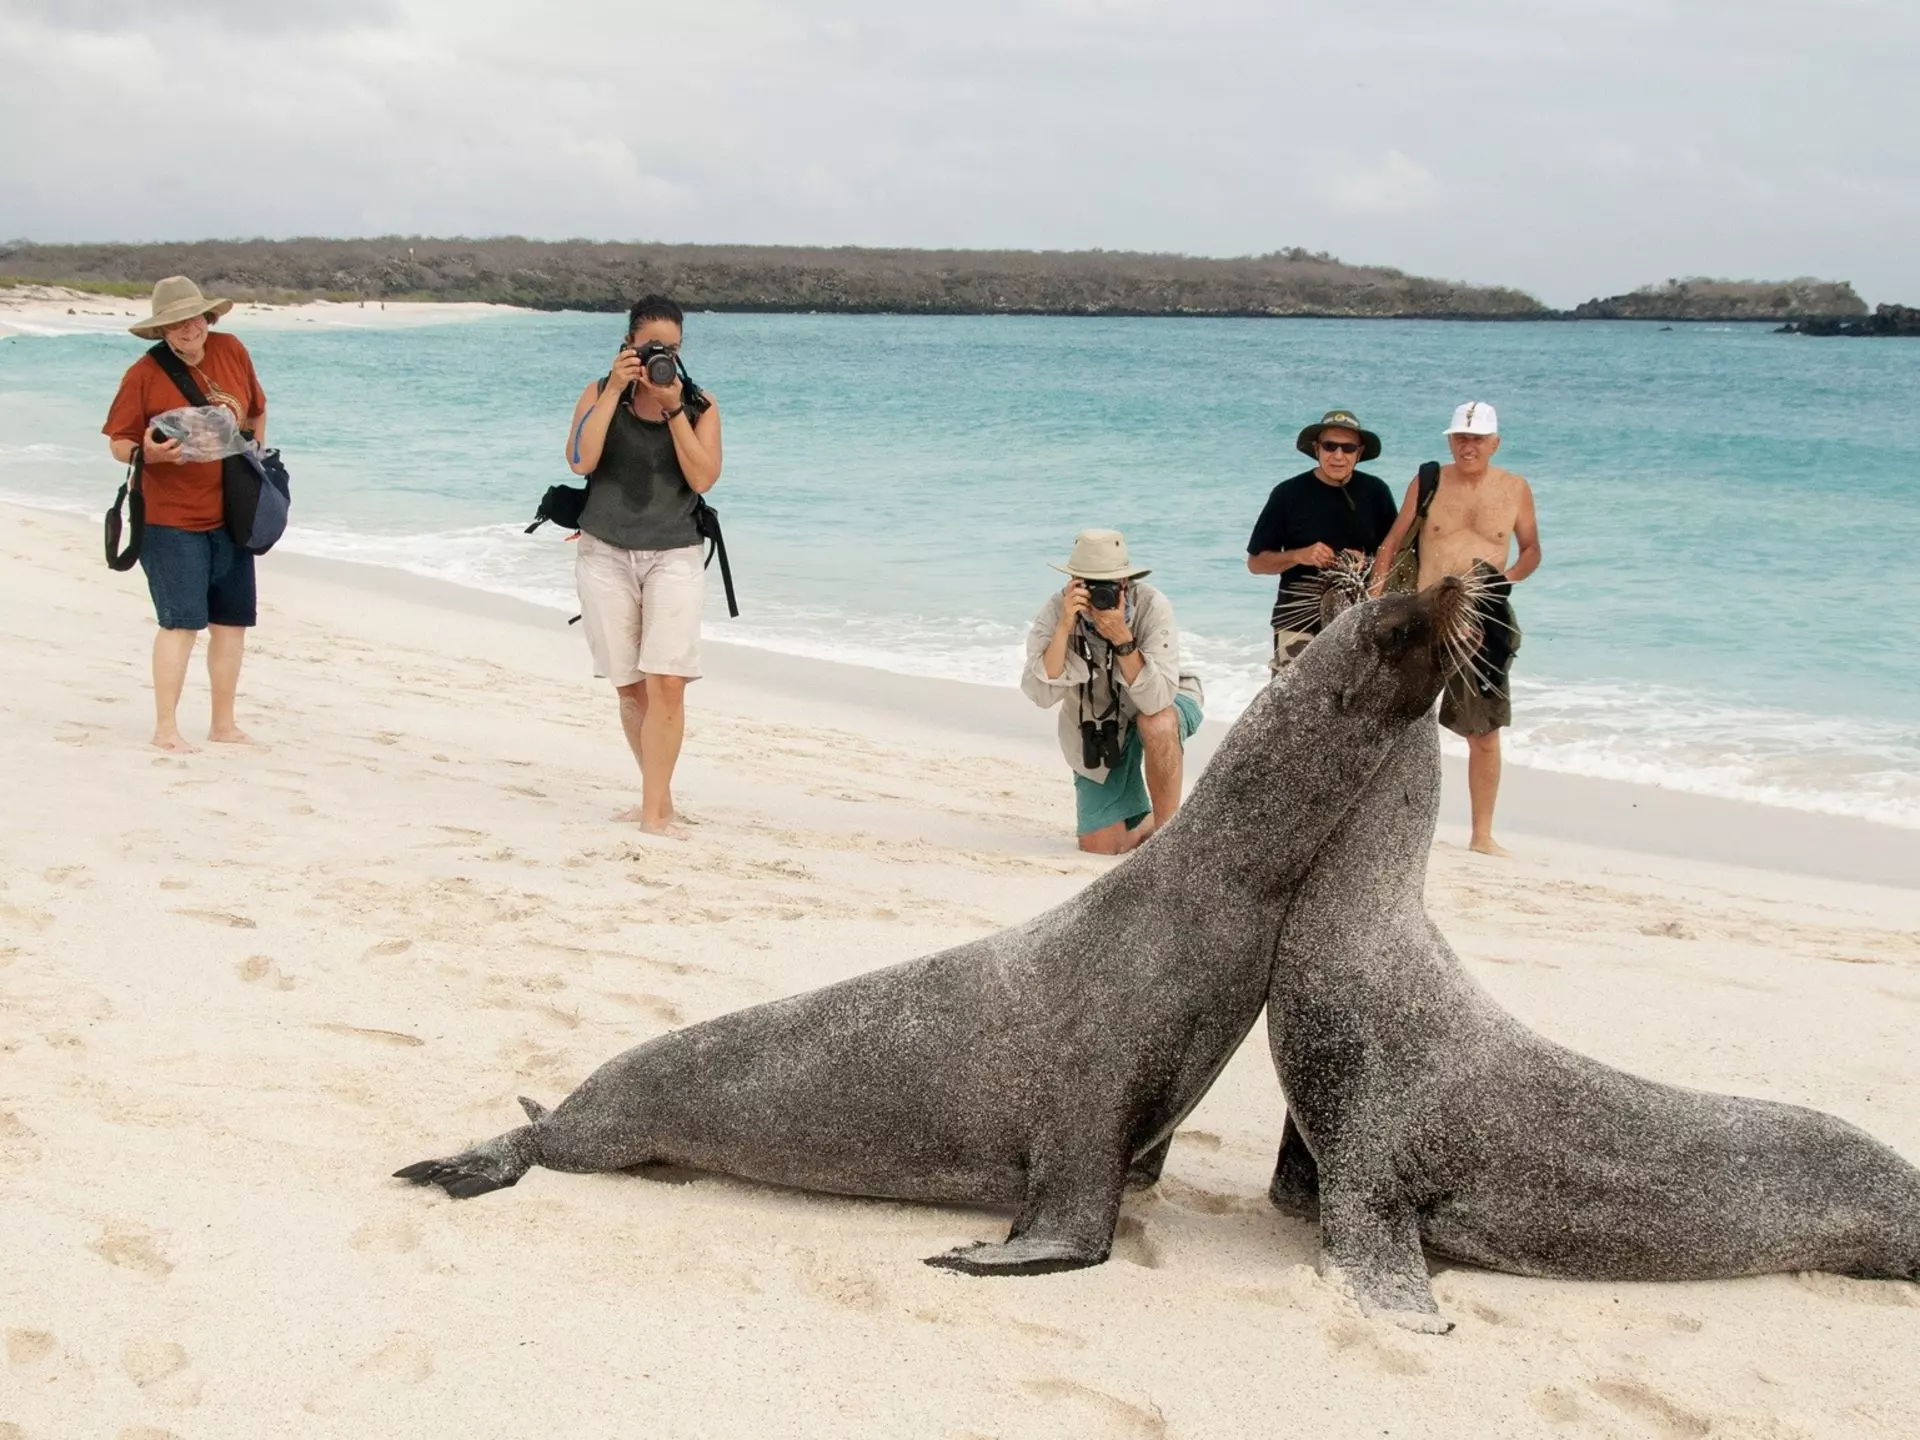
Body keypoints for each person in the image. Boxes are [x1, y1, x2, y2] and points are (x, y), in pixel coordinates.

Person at [564, 295, 723, 833]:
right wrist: (613, 389)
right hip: (604, 553)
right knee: (631, 687)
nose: (663, 357)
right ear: (628, 344)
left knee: (668, 682)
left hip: (674, 554)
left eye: (672, 349)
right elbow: (581, 458)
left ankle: (653, 815)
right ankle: (660, 801)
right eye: (653, 346)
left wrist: (675, 407)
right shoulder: (598, 392)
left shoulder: (700, 406)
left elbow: (702, 478)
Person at [103, 276, 268, 753]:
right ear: (162, 331)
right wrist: (151, 456)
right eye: (175, 323)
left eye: (193, 317)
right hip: (169, 519)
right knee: (181, 623)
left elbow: (256, 409)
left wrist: (257, 459)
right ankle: (166, 730)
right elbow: (119, 442)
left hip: (231, 514)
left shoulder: (231, 349)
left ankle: (223, 725)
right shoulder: (143, 374)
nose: (187, 329)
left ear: (208, 316)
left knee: (232, 622)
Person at [1372, 401, 1541, 857]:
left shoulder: (1515, 489)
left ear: (1494, 443)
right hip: (1425, 613)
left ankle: (1481, 834)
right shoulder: (1429, 481)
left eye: (1478, 439)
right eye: (1461, 438)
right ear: (1450, 440)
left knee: (1483, 732)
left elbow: (1530, 552)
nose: (1469, 446)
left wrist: (1505, 581)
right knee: (1396, 721)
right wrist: (1374, 603)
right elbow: (1392, 541)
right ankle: (1384, 825)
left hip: (1482, 618)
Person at [1022, 530, 1205, 855]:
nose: (1098, 593)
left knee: (1157, 723)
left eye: (1106, 583)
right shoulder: (1058, 610)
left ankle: (1168, 842)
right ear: (1074, 581)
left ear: (1124, 582)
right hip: (1098, 723)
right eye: (1088, 584)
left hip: (1163, 699)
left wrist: (1122, 637)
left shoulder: (1151, 605)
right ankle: (1143, 819)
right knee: (1100, 848)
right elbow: (1041, 694)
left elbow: (1156, 700)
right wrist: (1065, 626)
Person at [1246, 409, 1400, 668]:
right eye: (1330, 446)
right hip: (1297, 619)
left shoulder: (1376, 492)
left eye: (1347, 448)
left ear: (1359, 452)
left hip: (1359, 617)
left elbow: (1396, 555)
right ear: (1316, 449)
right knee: (1293, 703)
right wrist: (1299, 555)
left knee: (1355, 704)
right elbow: (1256, 563)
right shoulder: (1287, 494)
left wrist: (1367, 562)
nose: (1338, 456)